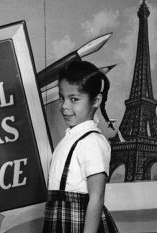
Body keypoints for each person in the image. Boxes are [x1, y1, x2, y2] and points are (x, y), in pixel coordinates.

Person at [42, 61, 119, 233]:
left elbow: (96, 198)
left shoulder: (92, 142)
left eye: (74, 99)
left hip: (79, 223)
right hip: (60, 219)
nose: (64, 106)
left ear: (96, 100)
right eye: (62, 98)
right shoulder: (70, 138)